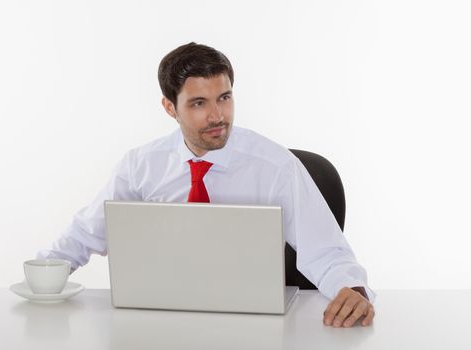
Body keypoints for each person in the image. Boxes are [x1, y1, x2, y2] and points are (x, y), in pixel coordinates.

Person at [38, 42, 375, 327]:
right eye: (199, 103)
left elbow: (327, 252)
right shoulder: (140, 166)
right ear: (170, 107)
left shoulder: (277, 167)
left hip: (256, 324)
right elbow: (86, 233)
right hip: (163, 319)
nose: (218, 116)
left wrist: (353, 290)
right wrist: (41, 276)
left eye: (224, 98)